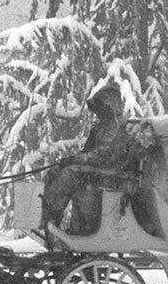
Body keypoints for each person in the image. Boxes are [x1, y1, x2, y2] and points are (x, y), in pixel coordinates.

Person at [41, 81, 152, 235]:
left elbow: (104, 155)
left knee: (70, 174)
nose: (98, 112)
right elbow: (87, 151)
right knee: (55, 171)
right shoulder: (100, 127)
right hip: (100, 171)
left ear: (109, 106)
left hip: (115, 174)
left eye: (101, 107)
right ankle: (48, 220)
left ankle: (49, 222)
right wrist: (71, 159)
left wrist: (76, 160)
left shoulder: (118, 126)